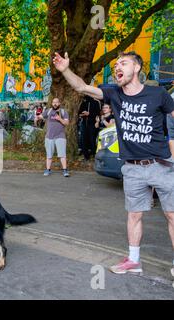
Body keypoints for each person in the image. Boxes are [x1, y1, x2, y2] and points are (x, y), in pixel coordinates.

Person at [53, 51, 174, 276]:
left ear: (137, 68)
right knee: (134, 215)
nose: (118, 66)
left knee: (172, 214)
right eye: (116, 64)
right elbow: (82, 87)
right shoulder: (113, 94)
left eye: (123, 63)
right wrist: (65, 70)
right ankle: (134, 260)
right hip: (132, 168)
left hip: (161, 165)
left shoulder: (158, 94)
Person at [37, 98, 70, 177]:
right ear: (52, 103)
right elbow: (40, 116)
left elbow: (66, 123)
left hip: (60, 136)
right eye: (53, 102)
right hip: (49, 137)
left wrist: (59, 119)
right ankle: (48, 170)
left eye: (57, 102)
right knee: (49, 155)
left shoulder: (63, 112)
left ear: (59, 103)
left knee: (62, 155)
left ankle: (65, 170)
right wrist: (37, 117)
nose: (55, 104)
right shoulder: (48, 111)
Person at [78, 95, 101, 160]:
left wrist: (89, 114)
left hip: (92, 124)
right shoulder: (83, 102)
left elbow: (98, 113)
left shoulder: (96, 102)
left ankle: (94, 154)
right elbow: (79, 112)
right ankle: (86, 156)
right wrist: (83, 114)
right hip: (84, 123)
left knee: (92, 139)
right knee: (83, 139)